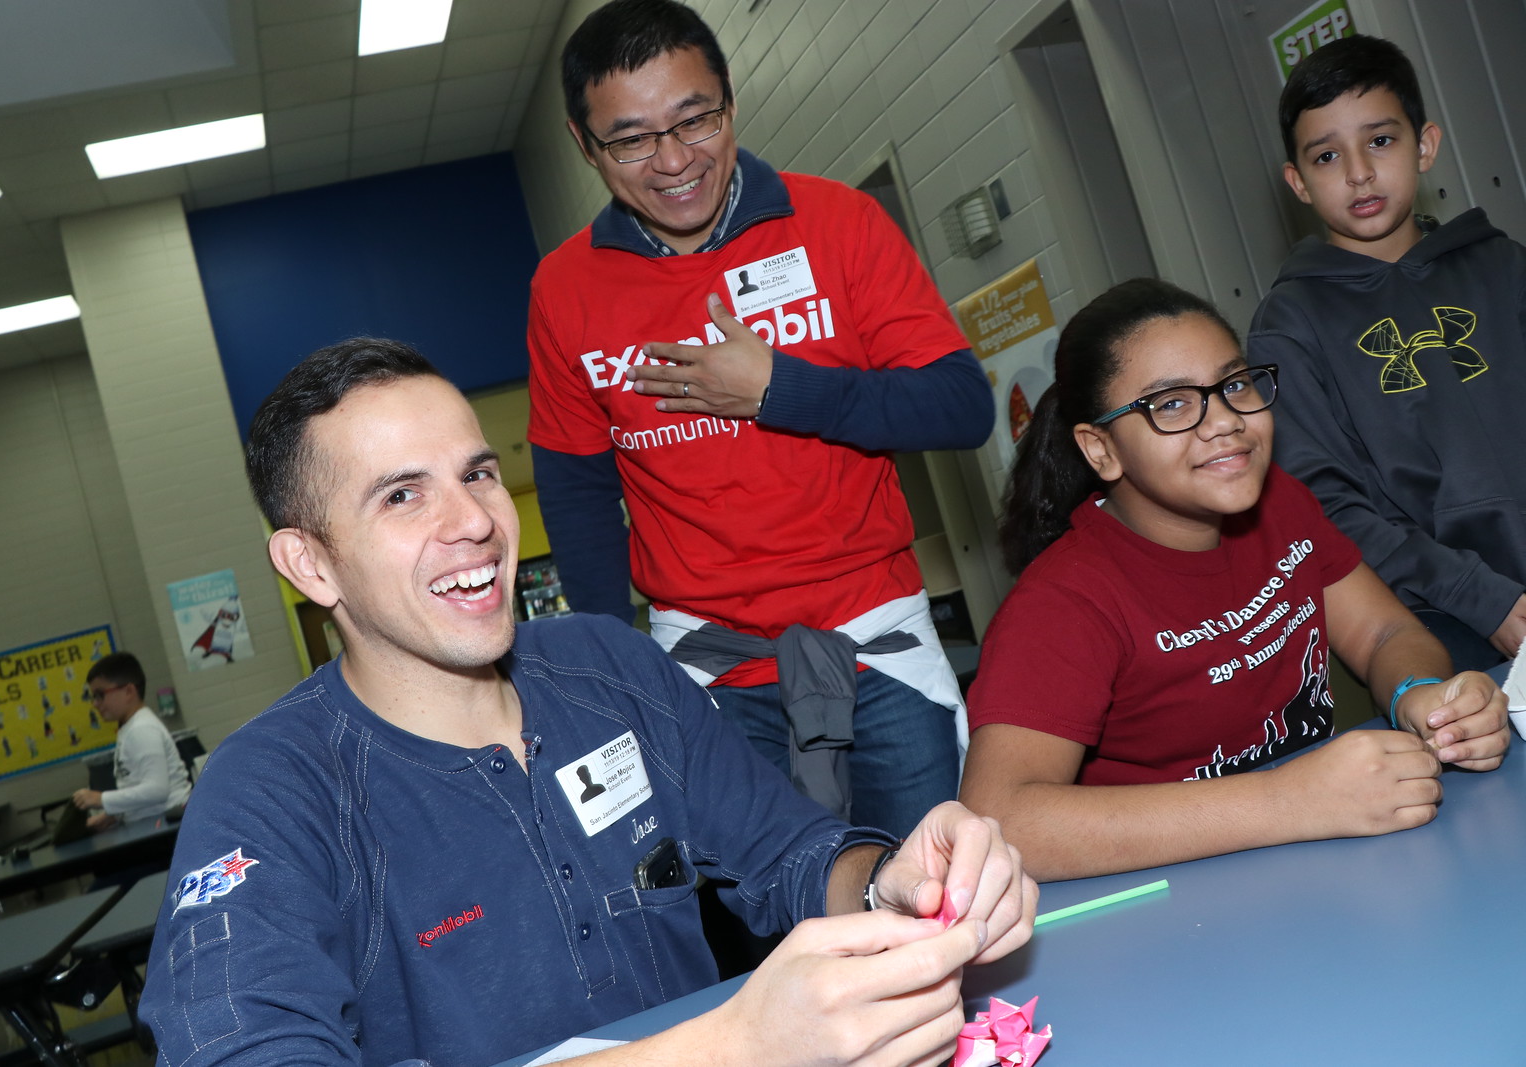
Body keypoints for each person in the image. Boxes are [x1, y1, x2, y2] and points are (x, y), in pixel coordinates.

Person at [138, 338, 1035, 1067]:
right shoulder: (268, 791)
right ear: (309, 563)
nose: (476, 521)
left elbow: (789, 854)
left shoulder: (606, 666)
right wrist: (733, 1048)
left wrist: (893, 881)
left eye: (479, 474)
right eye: (403, 494)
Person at [526, 0, 995, 837]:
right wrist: (610, 670)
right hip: (704, 669)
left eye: (694, 118)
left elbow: (960, 404)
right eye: (630, 139)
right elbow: (577, 490)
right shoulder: (564, 290)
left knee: (936, 902)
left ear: (730, 101)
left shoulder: (838, 223)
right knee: (774, 942)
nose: (673, 160)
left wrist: (784, 389)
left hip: (875, 635)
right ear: (584, 143)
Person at [957, 278, 1509, 882]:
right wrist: (1286, 802)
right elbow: (1000, 820)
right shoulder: (1064, 603)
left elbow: (1381, 633)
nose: (1223, 420)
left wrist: (1422, 697)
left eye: (1235, 384)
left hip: (1321, 857)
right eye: (1170, 404)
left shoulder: (1280, 504)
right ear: (1101, 450)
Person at [1247, 33, 1526, 674]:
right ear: (1298, 182)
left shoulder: (1502, 266)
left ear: (1424, 145)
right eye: (1325, 156)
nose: (1358, 173)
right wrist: (1480, 599)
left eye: (1380, 140)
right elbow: (1325, 507)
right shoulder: (1287, 328)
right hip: (1436, 621)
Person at [70, 652, 191, 831]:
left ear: (128, 691)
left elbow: (157, 790)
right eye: (93, 696)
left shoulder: (141, 729)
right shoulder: (130, 727)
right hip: (157, 824)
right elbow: (135, 785)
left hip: (170, 828)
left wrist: (100, 799)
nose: (95, 703)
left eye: (100, 695)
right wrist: (114, 814)